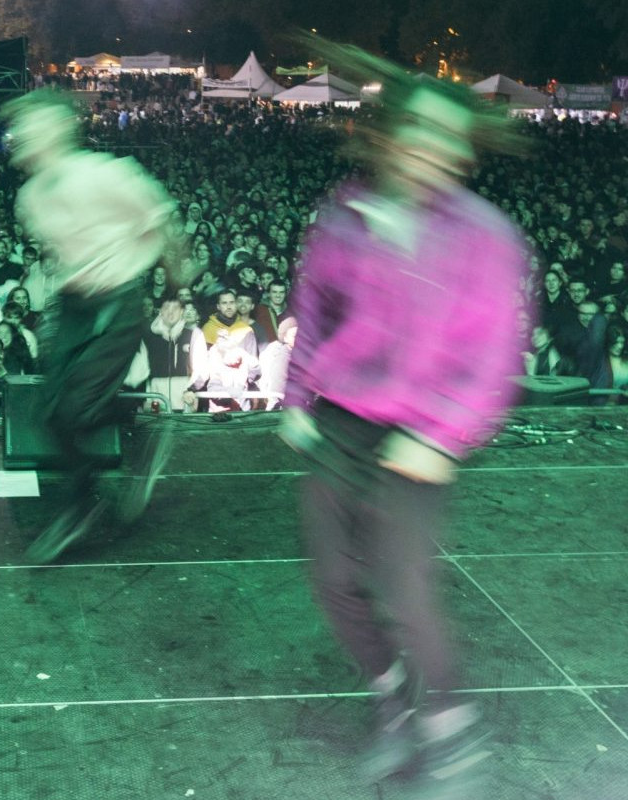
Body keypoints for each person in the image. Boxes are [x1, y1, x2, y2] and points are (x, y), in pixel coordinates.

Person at [280, 39, 527, 800]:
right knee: (334, 581)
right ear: (388, 134)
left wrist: (444, 436)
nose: (433, 147)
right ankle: (393, 693)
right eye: (419, 128)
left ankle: (451, 727)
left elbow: (494, 353)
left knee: (403, 584)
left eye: (449, 136)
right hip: (340, 422)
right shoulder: (344, 216)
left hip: (420, 433)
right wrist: (297, 399)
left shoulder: (485, 235)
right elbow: (313, 311)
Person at [0, 88, 177, 564]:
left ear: (59, 128)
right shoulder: (29, 197)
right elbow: (64, 257)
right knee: (48, 412)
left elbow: (161, 219)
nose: (20, 137)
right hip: (76, 306)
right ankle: (115, 465)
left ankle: (85, 500)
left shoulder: (104, 174)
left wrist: (177, 278)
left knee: (77, 408)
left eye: (31, 125)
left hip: (117, 300)